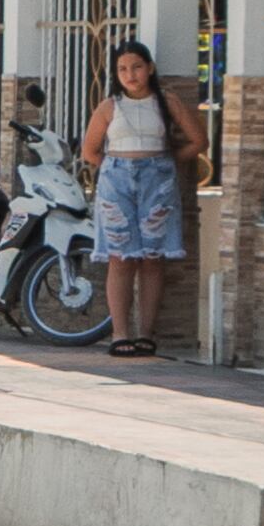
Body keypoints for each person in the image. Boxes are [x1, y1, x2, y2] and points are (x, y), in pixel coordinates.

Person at [78, 27, 202, 360]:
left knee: (152, 258)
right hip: (116, 182)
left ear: (149, 68)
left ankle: (146, 334)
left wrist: (165, 163)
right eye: (122, 69)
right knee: (121, 258)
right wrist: (116, 169)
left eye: (136, 67)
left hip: (156, 182)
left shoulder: (168, 102)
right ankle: (120, 334)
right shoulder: (109, 106)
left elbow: (197, 141)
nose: (130, 75)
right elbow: (90, 151)